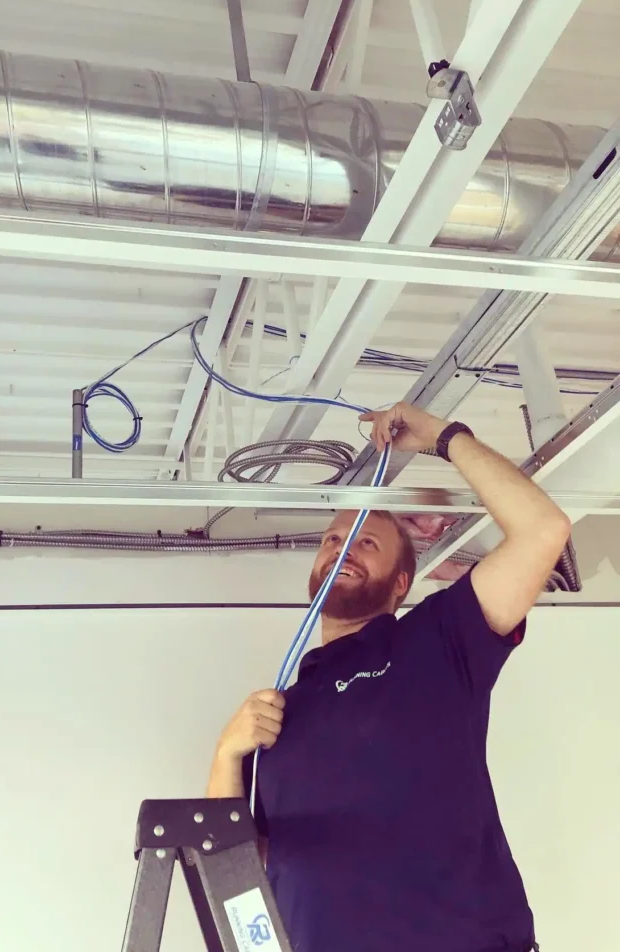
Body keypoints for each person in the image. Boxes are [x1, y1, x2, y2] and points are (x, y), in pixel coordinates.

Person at [206, 403, 570, 952]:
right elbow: (237, 868)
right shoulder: (282, 710)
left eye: (366, 542)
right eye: (332, 539)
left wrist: (444, 437)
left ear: (402, 583)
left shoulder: (438, 640)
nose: (342, 546)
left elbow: (543, 531)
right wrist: (226, 755)